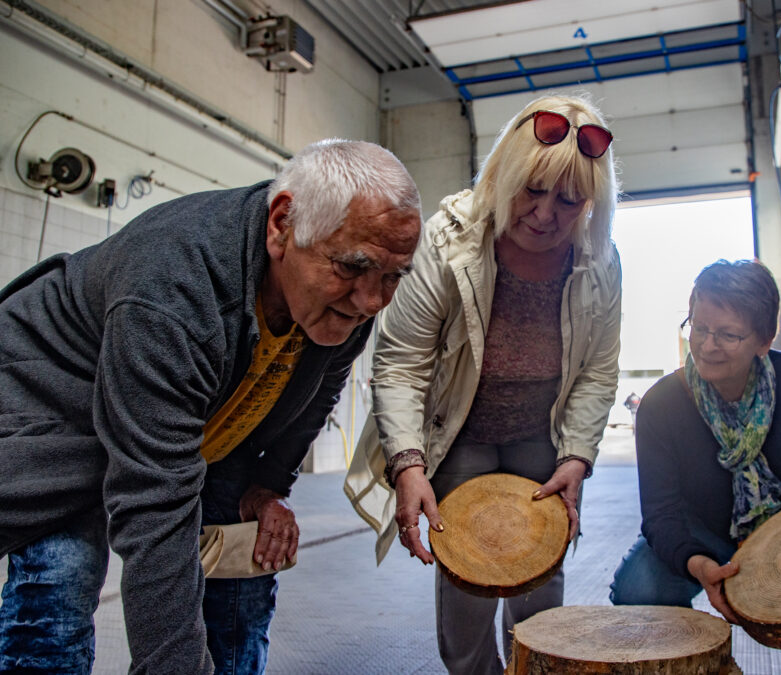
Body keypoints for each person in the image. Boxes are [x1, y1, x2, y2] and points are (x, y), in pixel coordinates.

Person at [0, 139, 422, 674]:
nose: (371, 302)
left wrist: (268, 487)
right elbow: (154, 505)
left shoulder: (343, 307)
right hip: (52, 407)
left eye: (391, 276)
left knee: (244, 567)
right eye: (351, 268)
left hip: (194, 428)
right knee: (63, 577)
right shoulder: (171, 288)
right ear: (282, 225)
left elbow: (317, 394)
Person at [345, 94, 621, 674]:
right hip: (460, 430)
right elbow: (401, 363)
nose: (546, 215)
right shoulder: (449, 243)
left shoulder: (600, 261)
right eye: (532, 191)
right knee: (467, 576)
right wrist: (410, 464)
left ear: (591, 202)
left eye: (569, 201)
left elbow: (598, 370)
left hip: (540, 434)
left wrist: (576, 458)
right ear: (503, 175)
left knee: (539, 581)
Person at [608, 259, 781, 621]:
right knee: (639, 590)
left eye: (727, 334)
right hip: (704, 528)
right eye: (699, 328)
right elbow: (661, 515)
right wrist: (698, 564)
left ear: (764, 340)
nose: (708, 346)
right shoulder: (661, 404)